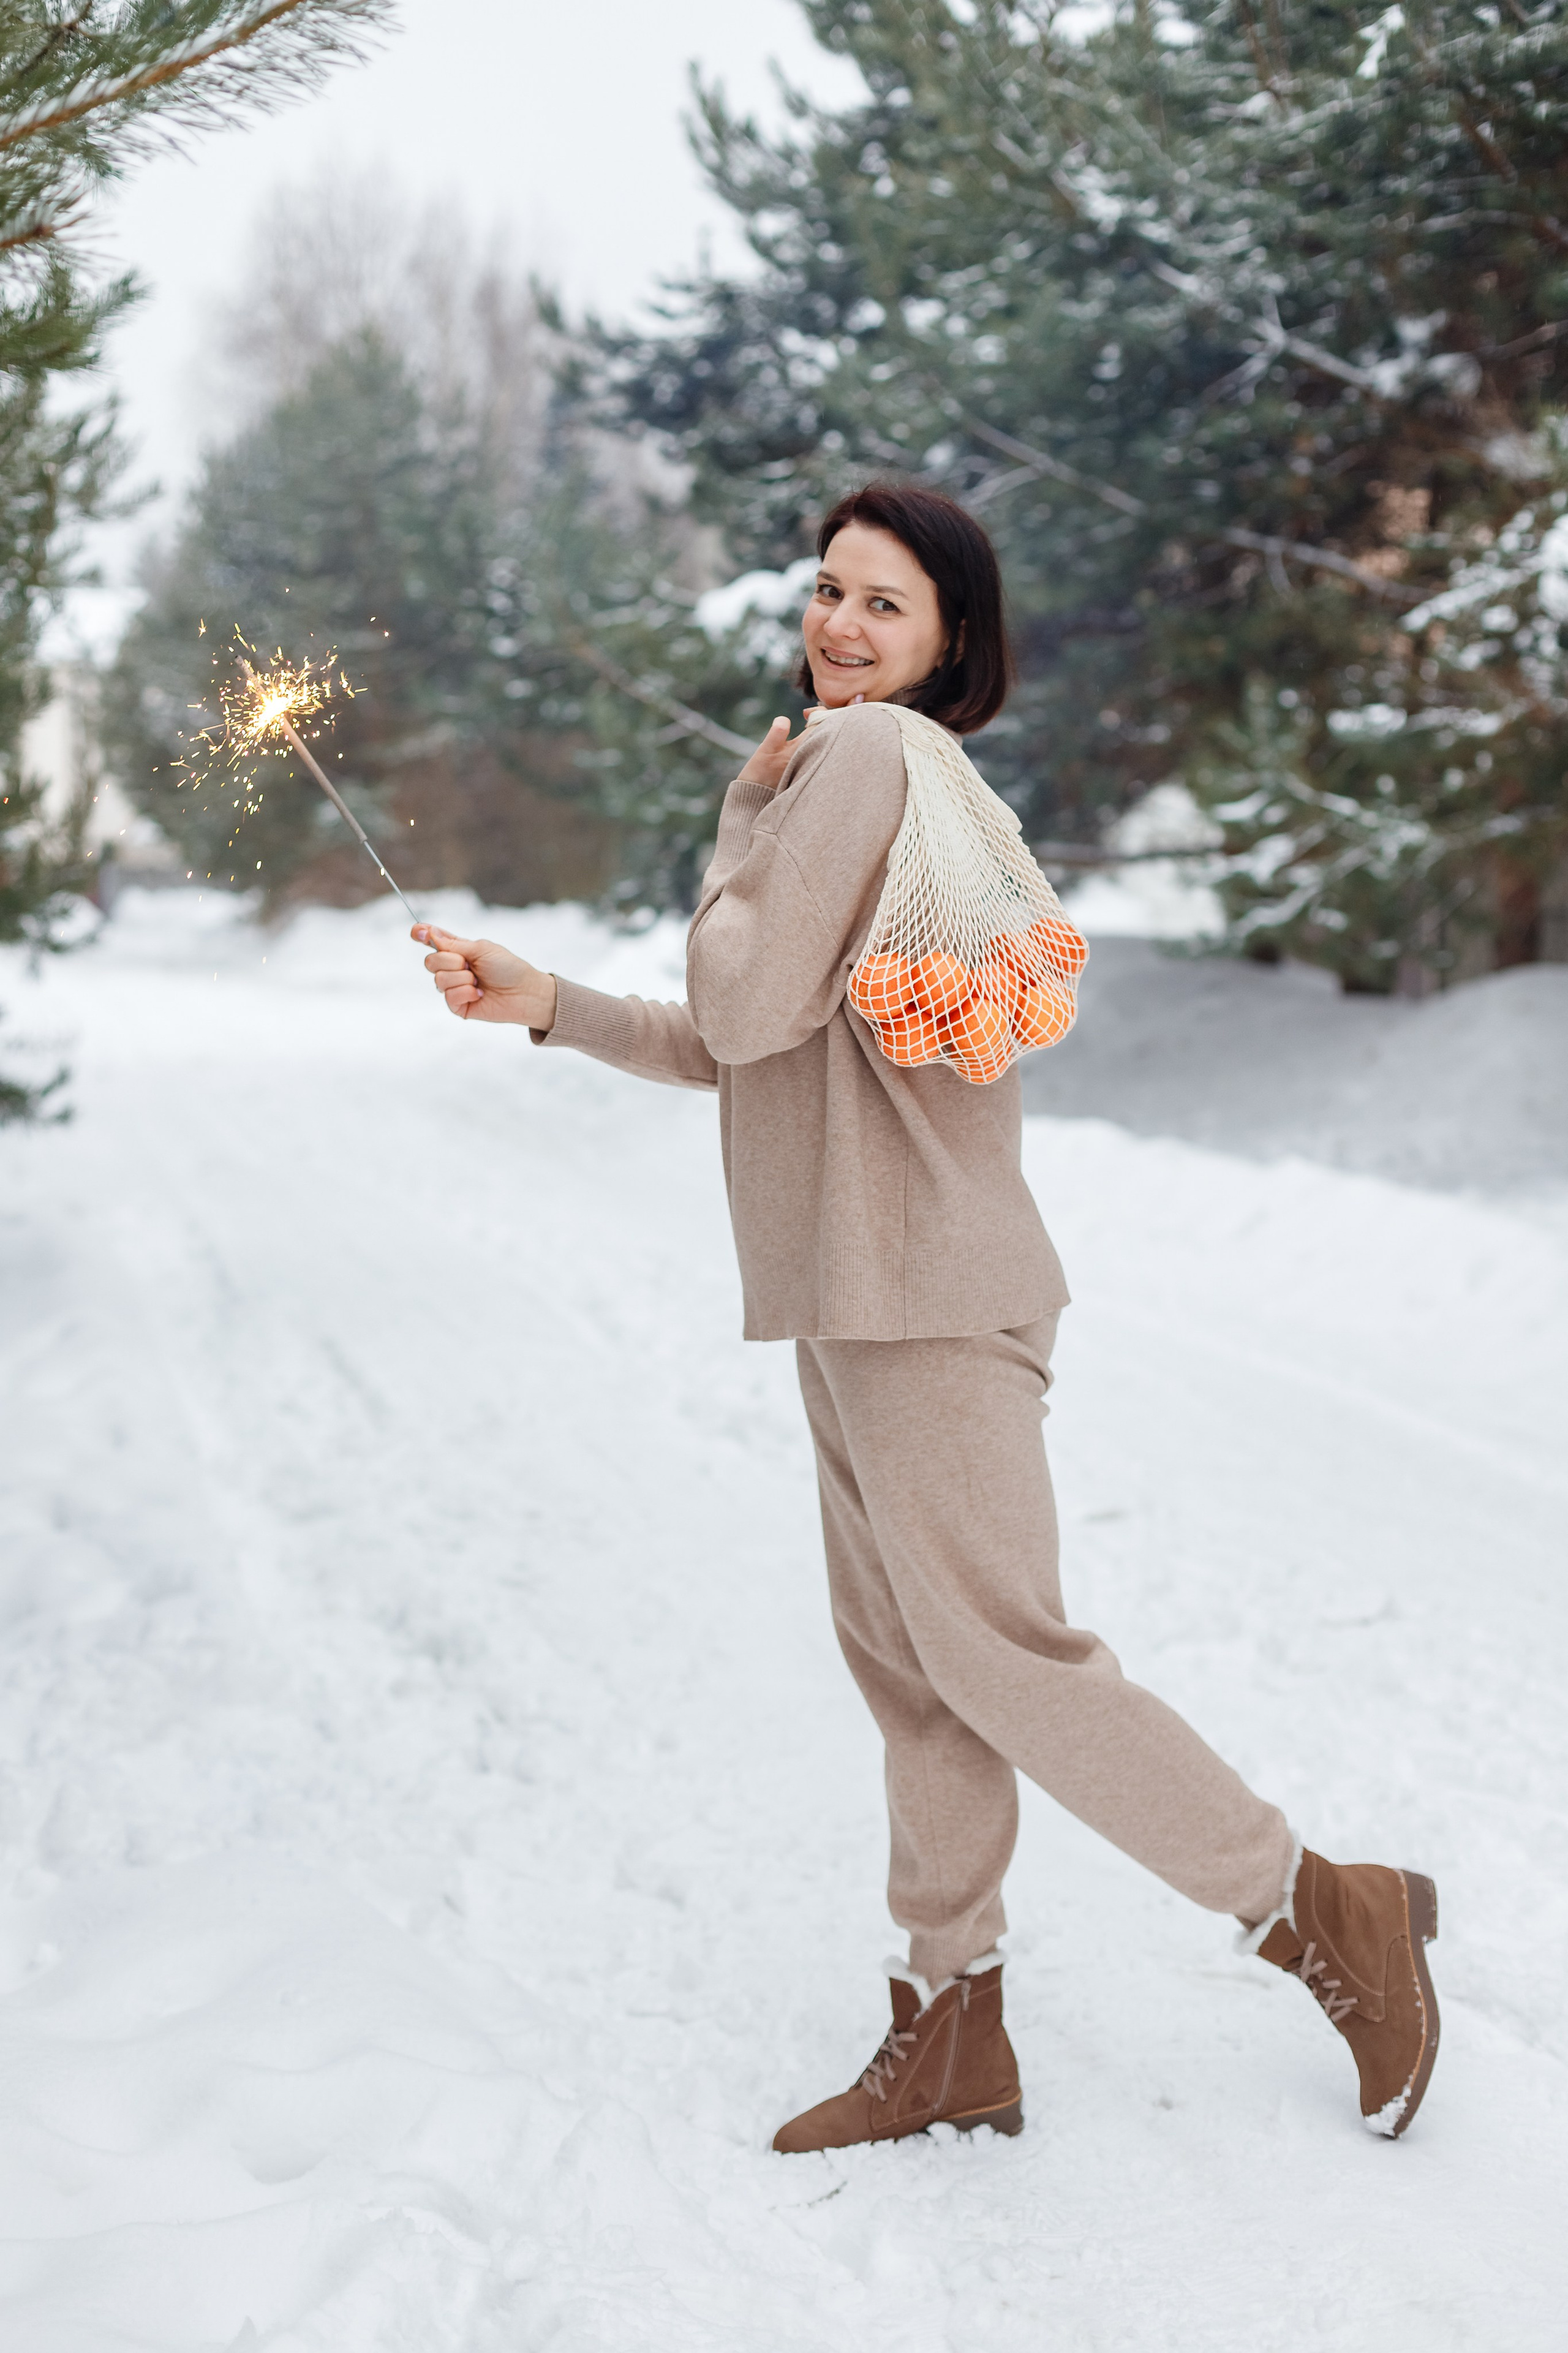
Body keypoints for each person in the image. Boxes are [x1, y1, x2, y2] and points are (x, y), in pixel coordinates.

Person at [415, 482, 1440, 2152]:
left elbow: (745, 998)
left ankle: (1323, 1909)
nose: (840, 624)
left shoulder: (871, 762)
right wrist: (554, 1005)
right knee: (917, 1678)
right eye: (830, 587)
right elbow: (752, 1040)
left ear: (952, 639)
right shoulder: (896, 784)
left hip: (925, 1298)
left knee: (1002, 1659)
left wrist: (740, 834)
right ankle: (953, 2023)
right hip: (866, 1292)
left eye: (886, 604)